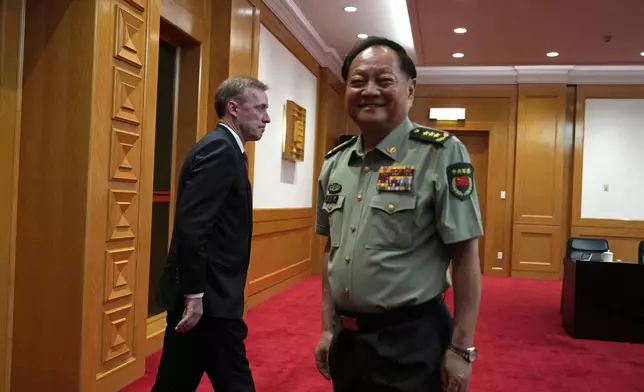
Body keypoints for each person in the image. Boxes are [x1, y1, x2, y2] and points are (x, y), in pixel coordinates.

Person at [313, 36, 483, 392]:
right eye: (357, 81)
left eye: (384, 80)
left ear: (410, 90)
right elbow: (331, 249)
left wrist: (461, 347)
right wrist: (329, 328)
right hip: (349, 341)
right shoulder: (334, 164)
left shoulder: (440, 154)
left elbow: (465, 255)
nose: (369, 90)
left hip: (411, 341)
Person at [152, 75, 271, 392]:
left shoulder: (225, 149)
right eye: (260, 108)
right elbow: (193, 227)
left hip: (207, 298)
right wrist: (194, 295)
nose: (267, 117)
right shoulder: (220, 150)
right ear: (233, 108)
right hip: (209, 302)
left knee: (174, 382)